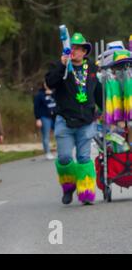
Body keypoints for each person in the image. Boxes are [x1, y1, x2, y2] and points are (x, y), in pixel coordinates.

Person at [45, 32, 102, 205]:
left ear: (84, 51)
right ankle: (69, 187)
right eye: (73, 48)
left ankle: (85, 192)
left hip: (86, 122)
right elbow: (50, 82)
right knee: (64, 158)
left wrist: (105, 111)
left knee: (84, 158)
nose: (75, 51)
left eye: (78, 48)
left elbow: (97, 91)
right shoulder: (60, 66)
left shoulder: (92, 68)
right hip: (65, 120)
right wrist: (62, 65)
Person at [33, 81, 57, 160]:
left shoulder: (54, 93)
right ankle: (47, 152)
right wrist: (38, 119)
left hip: (54, 116)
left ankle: (59, 150)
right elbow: (36, 107)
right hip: (44, 117)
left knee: (58, 133)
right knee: (46, 135)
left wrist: (52, 94)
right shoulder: (40, 95)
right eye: (46, 84)